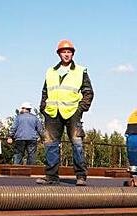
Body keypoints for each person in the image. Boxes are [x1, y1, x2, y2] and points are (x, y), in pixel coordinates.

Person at [37, 40, 94, 186]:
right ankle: (51, 176)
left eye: (69, 52)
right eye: (64, 52)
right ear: (59, 54)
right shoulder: (51, 71)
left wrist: (80, 109)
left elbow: (88, 92)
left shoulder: (81, 71)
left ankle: (81, 176)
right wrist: (43, 107)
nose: (66, 54)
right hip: (52, 113)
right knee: (50, 144)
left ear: (73, 54)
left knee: (77, 143)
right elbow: (45, 91)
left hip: (72, 112)